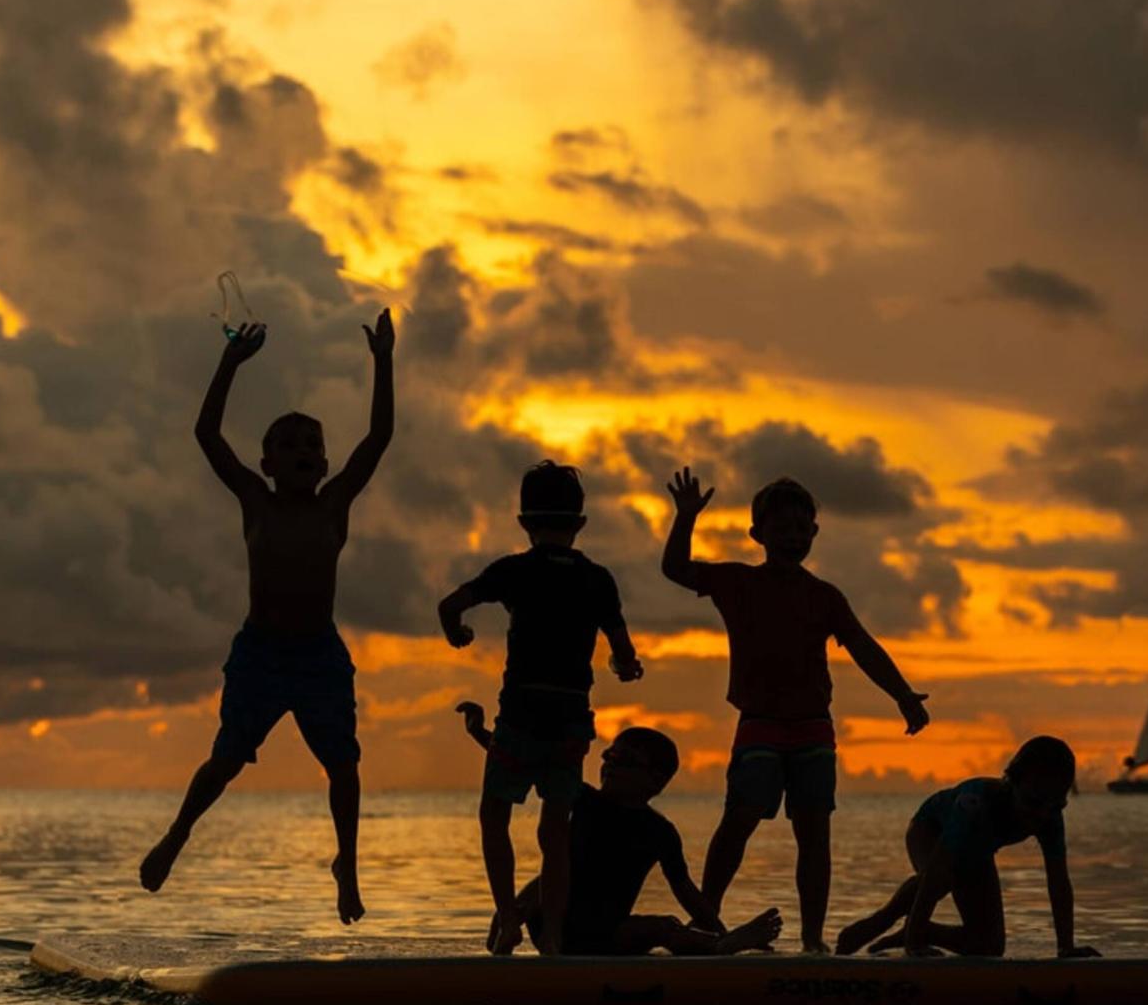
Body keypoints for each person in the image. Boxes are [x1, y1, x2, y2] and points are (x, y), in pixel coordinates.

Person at [139, 310, 398, 924]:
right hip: (260, 653)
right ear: (267, 465)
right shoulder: (254, 501)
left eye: (312, 445)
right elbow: (206, 434)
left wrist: (383, 361)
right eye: (288, 445)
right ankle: (177, 834)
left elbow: (379, 438)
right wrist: (229, 363)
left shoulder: (336, 503)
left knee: (343, 765)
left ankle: (348, 866)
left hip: (318, 657)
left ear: (326, 465)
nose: (303, 451)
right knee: (226, 761)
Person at [662, 467, 930, 953]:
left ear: (814, 534)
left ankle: (812, 939)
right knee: (738, 821)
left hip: (812, 730)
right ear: (757, 534)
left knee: (814, 834)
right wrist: (685, 519)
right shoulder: (736, 581)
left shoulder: (824, 597)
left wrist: (904, 696)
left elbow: (863, 646)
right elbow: (676, 570)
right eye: (781, 528)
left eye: (801, 529)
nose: (792, 537)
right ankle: (707, 921)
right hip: (759, 725)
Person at [440, 462, 642, 955]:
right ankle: (552, 937)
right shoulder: (598, 579)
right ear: (580, 524)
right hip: (571, 720)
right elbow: (623, 649)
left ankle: (509, 918)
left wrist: (458, 635)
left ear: (524, 522)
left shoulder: (512, 571)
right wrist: (624, 667)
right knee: (556, 832)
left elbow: (450, 606)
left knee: (495, 815)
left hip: (521, 715)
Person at [455, 705, 783, 955]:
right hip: (554, 926)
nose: (610, 764)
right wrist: (478, 732)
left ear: (656, 781)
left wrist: (718, 930)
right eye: (609, 756)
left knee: (664, 927)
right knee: (534, 888)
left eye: (625, 761)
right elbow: (529, 765)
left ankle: (722, 946)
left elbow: (688, 894)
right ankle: (502, 948)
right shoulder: (583, 799)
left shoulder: (659, 831)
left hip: (609, 933)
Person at [835, 736, 1101, 959]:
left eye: (1055, 804)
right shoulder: (976, 803)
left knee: (989, 948)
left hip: (977, 848)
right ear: (1012, 783)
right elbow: (938, 870)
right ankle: (884, 921)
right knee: (944, 878)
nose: (1041, 813)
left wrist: (1066, 947)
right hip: (931, 829)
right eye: (1033, 802)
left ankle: (924, 931)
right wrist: (914, 946)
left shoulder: (1049, 818)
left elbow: (1058, 882)